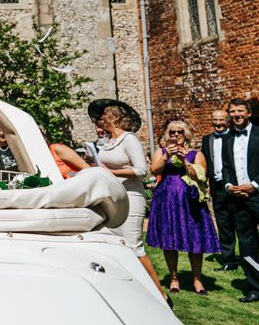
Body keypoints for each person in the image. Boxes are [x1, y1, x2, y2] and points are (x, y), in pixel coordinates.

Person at [89, 98, 168, 302]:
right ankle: (130, 291)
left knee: (134, 245)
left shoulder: (129, 139)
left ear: (114, 118)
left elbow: (142, 170)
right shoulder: (108, 142)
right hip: (111, 197)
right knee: (114, 243)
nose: (99, 121)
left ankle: (161, 295)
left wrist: (110, 172)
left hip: (131, 197)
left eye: (103, 117)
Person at [146, 119, 220, 294]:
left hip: (190, 200)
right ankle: (173, 278)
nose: (176, 135)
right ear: (168, 135)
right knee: (169, 238)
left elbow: (200, 176)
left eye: (180, 132)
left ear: (186, 134)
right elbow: (154, 170)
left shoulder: (196, 154)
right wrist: (166, 157)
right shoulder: (161, 151)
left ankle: (197, 279)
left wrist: (184, 160)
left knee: (194, 238)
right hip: (167, 200)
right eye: (172, 133)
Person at [222, 98, 259, 303]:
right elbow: (226, 168)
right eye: (232, 111)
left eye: (240, 111)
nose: (236, 114)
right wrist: (230, 186)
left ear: (248, 113)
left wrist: (254, 185)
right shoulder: (228, 138)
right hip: (238, 200)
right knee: (247, 245)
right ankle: (257, 288)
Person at [201, 109, 239, 270]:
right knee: (223, 224)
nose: (218, 123)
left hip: (237, 186)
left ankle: (249, 259)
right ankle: (229, 260)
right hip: (217, 187)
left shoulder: (236, 137)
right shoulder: (207, 139)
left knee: (242, 223)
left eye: (221, 120)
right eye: (215, 120)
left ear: (228, 121)